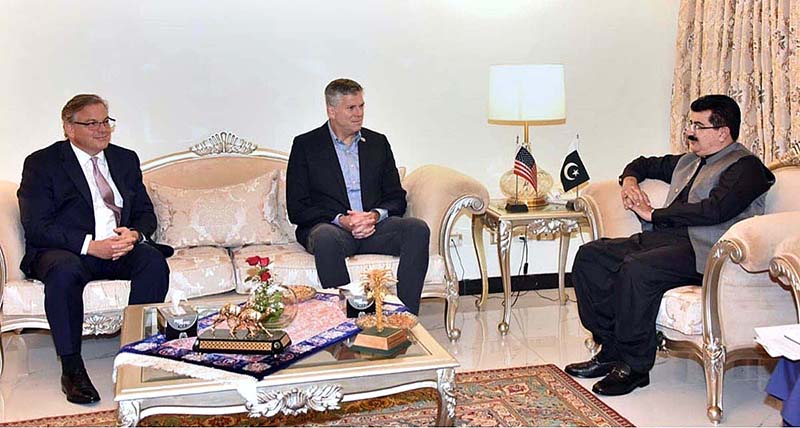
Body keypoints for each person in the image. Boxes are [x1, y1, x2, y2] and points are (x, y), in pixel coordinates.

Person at [565, 94, 775, 396]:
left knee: (637, 268)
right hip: (667, 241)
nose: (689, 131)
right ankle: (609, 349)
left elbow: (716, 210)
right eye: (690, 123)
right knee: (591, 256)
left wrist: (656, 214)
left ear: (722, 132)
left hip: (707, 251)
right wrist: (630, 181)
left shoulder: (747, 168)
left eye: (698, 126)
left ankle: (634, 366)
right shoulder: (689, 161)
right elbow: (642, 163)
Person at [17, 94, 172, 404]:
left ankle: (137, 354)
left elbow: (145, 212)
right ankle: (72, 368)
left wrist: (134, 234)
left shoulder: (124, 159)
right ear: (69, 128)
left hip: (118, 246)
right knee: (63, 273)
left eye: (105, 122)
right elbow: (37, 225)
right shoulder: (43, 163)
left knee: (153, 263)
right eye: (91, 123)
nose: (102, 129)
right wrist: (90, 245)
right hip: (68, 250)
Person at [286, 78, 429, 314]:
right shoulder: (306, 146)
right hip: (333, 230)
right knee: (325, 237)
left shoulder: (378, 143)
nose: (359, 114)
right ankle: (346, 321)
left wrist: (373, 216)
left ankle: (405, 316)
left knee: (417, 228)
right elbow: (297, 207)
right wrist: (342, 220)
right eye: (351, 108)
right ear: (331, 111)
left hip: (373, 229)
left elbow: (396, 196)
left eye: (361, 106)